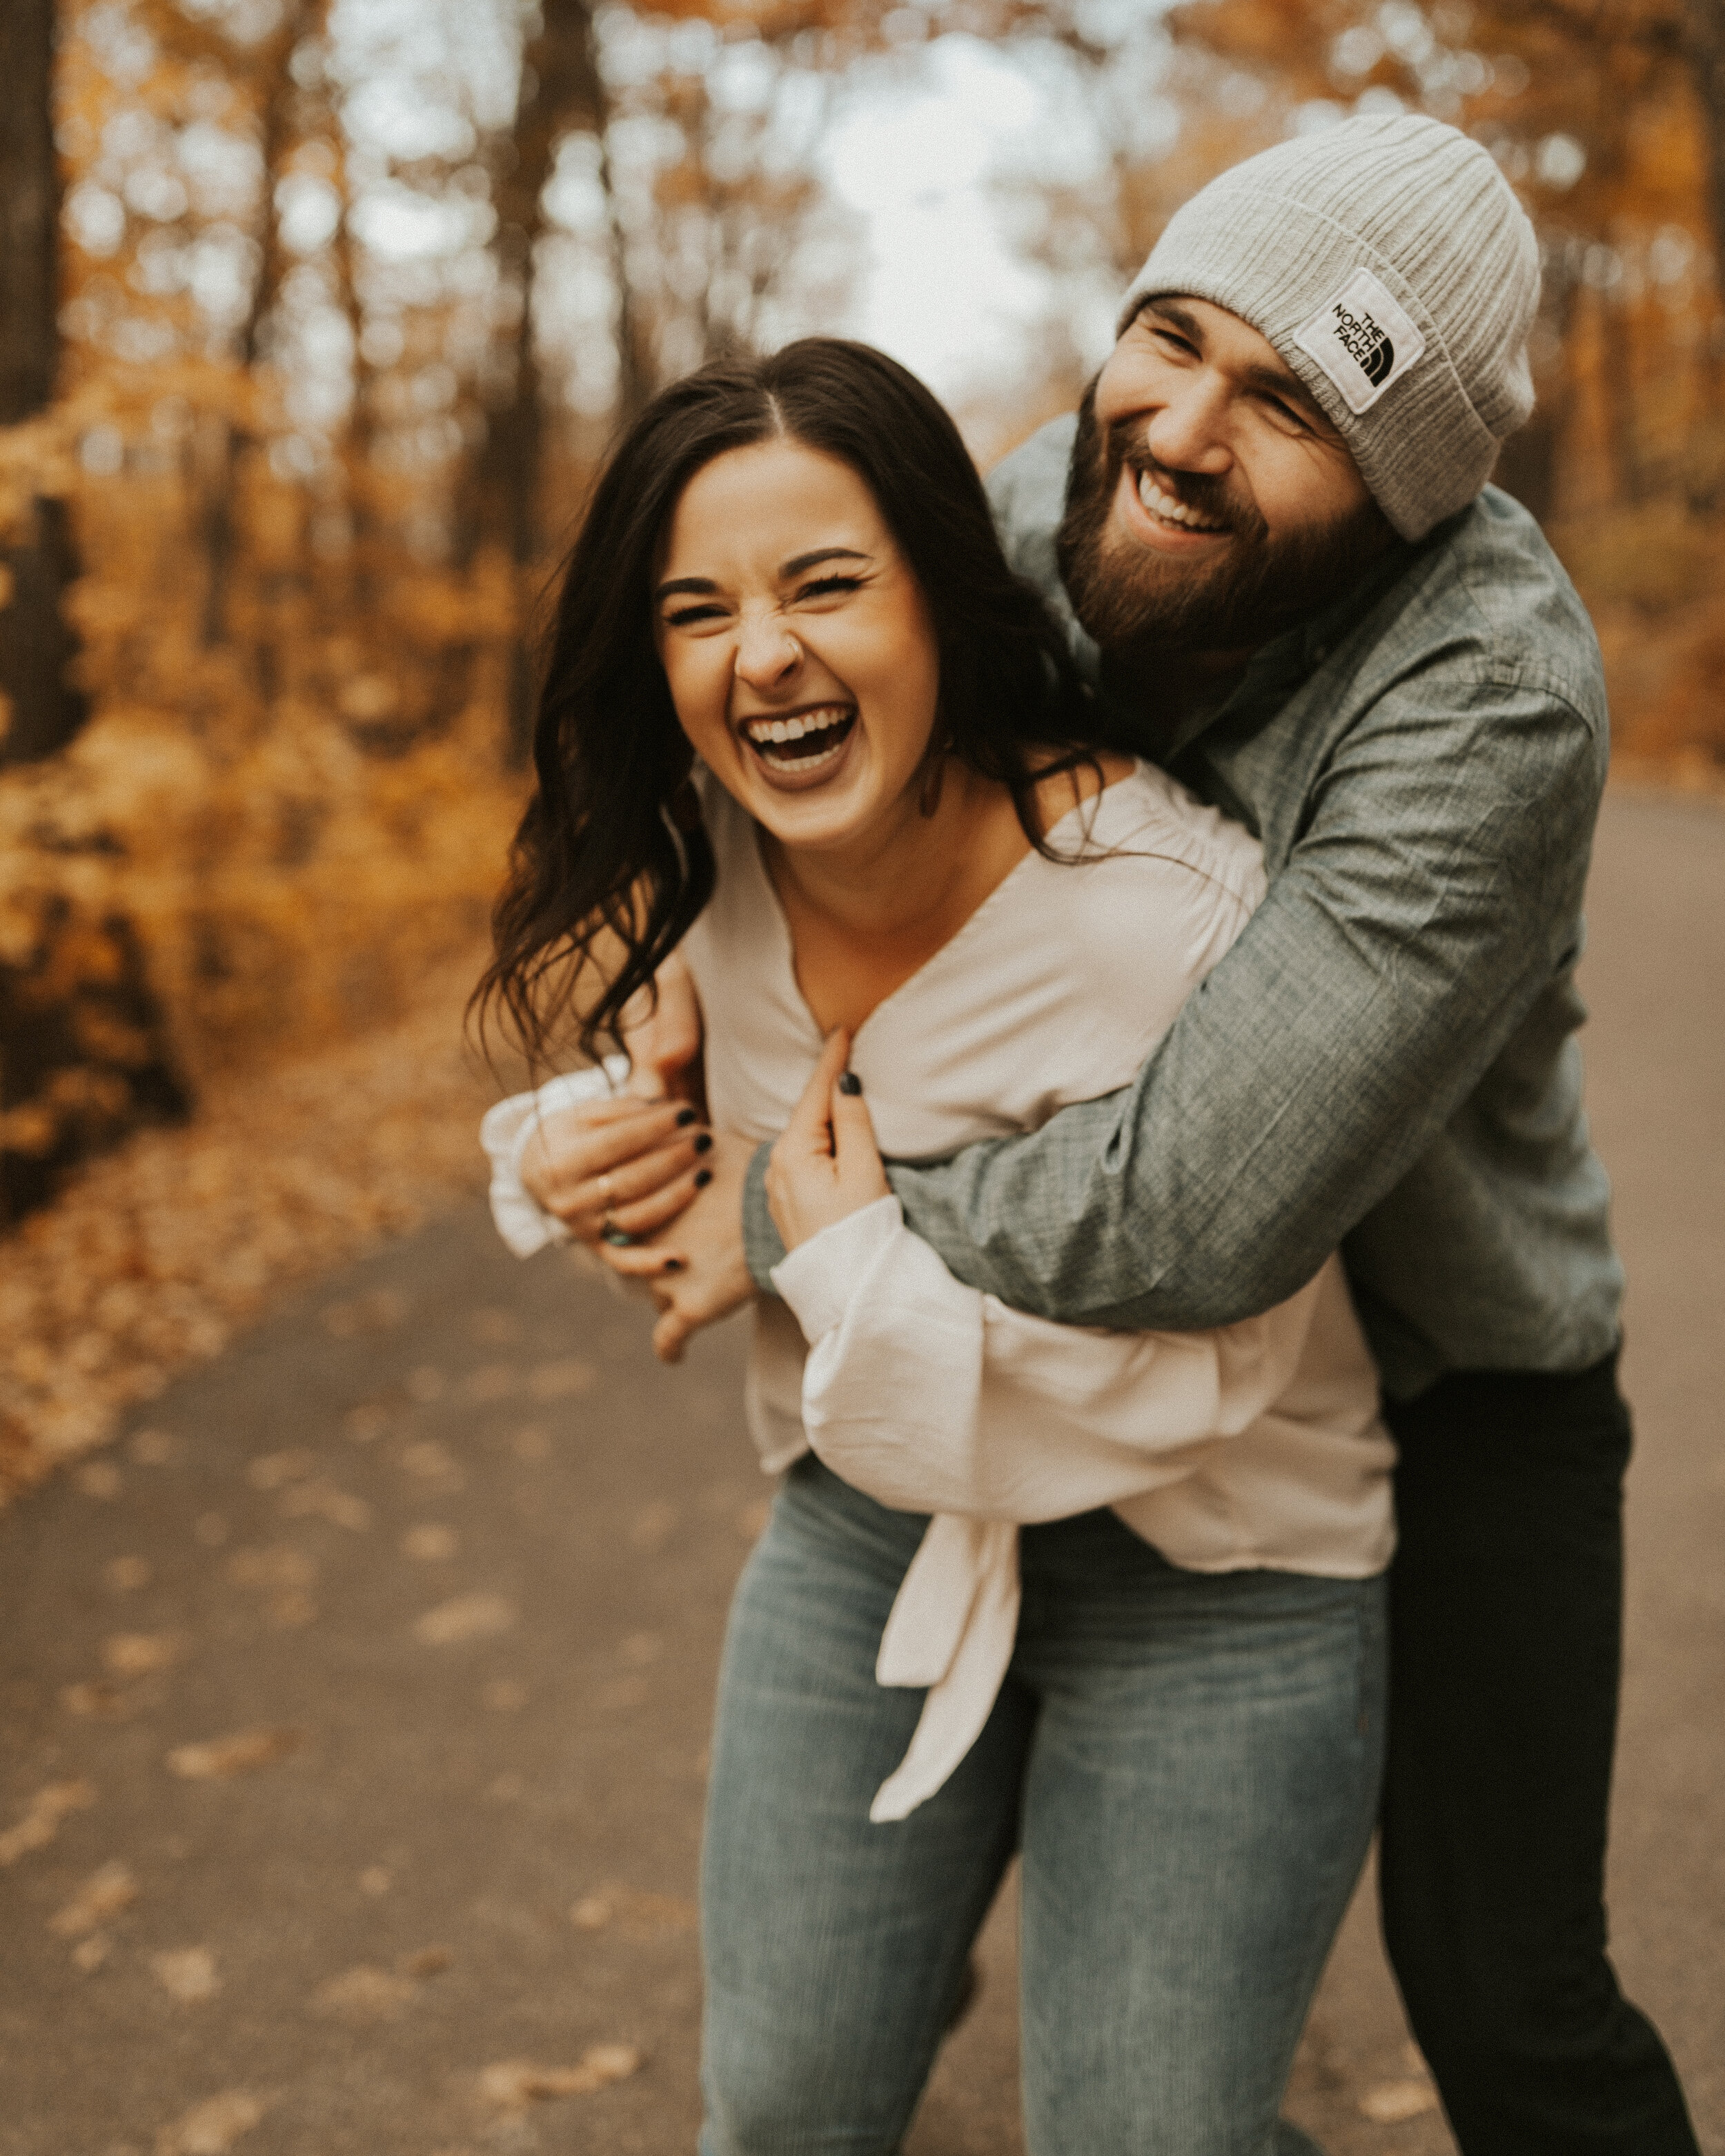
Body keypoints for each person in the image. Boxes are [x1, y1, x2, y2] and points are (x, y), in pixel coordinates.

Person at [518, 116, 1700, 2154]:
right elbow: (828, 757)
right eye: (1168, 336)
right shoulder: (1045, 504)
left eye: (1287, 400)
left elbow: (1194, 1204)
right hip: (1035, 1388)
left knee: (1504, 1992)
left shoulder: (1489, 692)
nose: (1178, 423)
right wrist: (665, 1049)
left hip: (1443, 1363)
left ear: (1408, 490)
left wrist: (786, 1220)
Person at [477, 335, 1400, 2154]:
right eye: (696, 611)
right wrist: (588, 1161)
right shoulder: (712, 864)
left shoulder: (1162, 919)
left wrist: (829, 1259)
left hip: (1221, 1569)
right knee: (785, 2109)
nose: (764, 657)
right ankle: (907, 1958)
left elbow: (1199, 1364)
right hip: (874, 1538)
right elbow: (710, 1142)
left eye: (826, 585)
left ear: (941, 601)